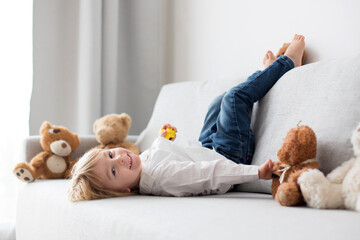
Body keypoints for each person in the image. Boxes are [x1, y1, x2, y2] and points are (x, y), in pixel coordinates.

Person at [68, 34, 305, 201]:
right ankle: (287, 63)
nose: (118, 159)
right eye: (113, 171)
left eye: (110, 154)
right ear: (123, 192)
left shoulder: (142, 170)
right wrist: (256, 172)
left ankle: (265, 73)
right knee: (234, 99)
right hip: (228, 157)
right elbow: (212, 173)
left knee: (217, 103)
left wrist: (164, 138)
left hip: (208, 148)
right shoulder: (163, 178)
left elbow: (156, 155)